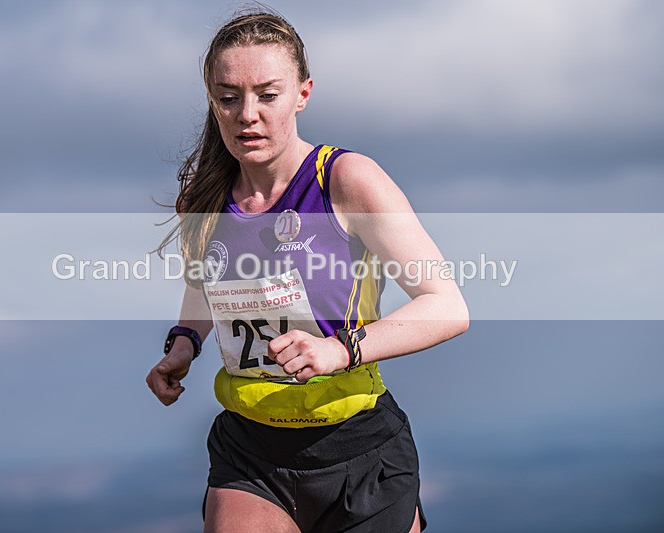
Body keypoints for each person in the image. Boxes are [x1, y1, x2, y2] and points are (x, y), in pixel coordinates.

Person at [146, 9, 469, 533]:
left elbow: (448, 307)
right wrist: (184, 345)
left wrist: (340, 350)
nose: (247, 114)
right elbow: (207, 288)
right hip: (251, 451)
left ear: (303, 94)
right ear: (213, 102)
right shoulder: (202, 201)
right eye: (228, 98)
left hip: (360, 451)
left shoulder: (347, 180)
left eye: (267, 95)